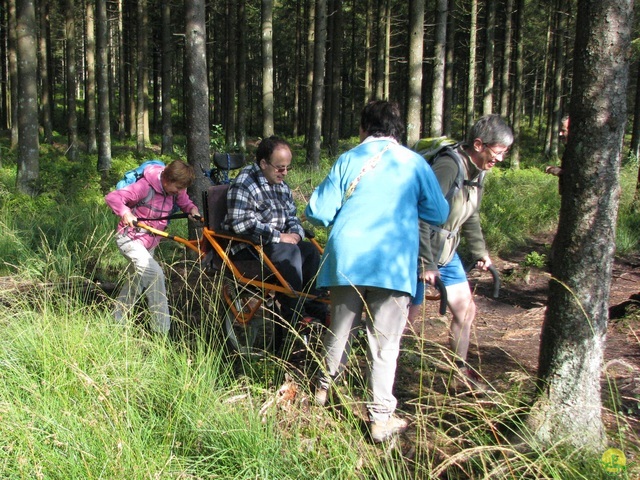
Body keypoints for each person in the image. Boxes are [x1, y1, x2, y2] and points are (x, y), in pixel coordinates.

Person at [304, 100, 449, 443]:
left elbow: (317, 212)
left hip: (348, 258)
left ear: (363, 128)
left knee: (339, 330)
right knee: (385, 344)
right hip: (393, 263)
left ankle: (321, 392)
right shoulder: (414, 163)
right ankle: (380, 418)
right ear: (398, 130)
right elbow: (439, 212)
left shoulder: (348, 159)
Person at [411, 114, 514, 391]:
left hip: (446, 251)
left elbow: (470, 215)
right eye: (499, 152)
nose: (501, 159)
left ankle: (459, 374)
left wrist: (480, 251)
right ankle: (381, 381)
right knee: (405, 321)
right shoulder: (448, 167)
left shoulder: (478, 172)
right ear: (479, 144)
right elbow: (419, 215)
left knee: (466, 310)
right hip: (418, 252)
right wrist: (425, 263)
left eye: (505, 153)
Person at [222, 136, 327, 348]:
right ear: (263, 164)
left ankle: (313, 303)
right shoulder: (245, 183)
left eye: (287, 168)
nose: (284, 173)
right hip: (248, 247)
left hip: (278, 245)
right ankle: (293, 312)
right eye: (280, 168)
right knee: (290, 253)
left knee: (309, 251)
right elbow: (241, 224)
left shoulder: (282, 186)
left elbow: (292, 218)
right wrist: (279, 237)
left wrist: (296, 234)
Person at [105, 160, 201, 335]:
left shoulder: (176, 189)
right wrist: (126, 213)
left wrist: (192, 209)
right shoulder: (144, 186)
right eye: (178, 187)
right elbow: (113, 197)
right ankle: (161, 331)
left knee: (136, 282)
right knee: (155, 275)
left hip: (149, 244)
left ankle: (116, 319)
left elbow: (184, 201)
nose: (179, 192)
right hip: (130, 239)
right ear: (166, 179)